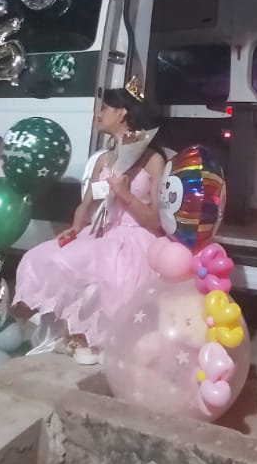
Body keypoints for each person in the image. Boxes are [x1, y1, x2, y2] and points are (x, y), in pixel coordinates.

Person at [14, 85, 166, 364]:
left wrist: (125, 194)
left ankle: (97, 339)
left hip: (137, 239)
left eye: (105, 108)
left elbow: (156, 221)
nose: (98, 114)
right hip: (102, 232)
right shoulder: (104, 160)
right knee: (47, 256)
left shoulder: (153, 160)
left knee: (114, 280)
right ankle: (75, 332)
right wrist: (75, 227)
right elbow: (86, 204)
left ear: (122, 114)